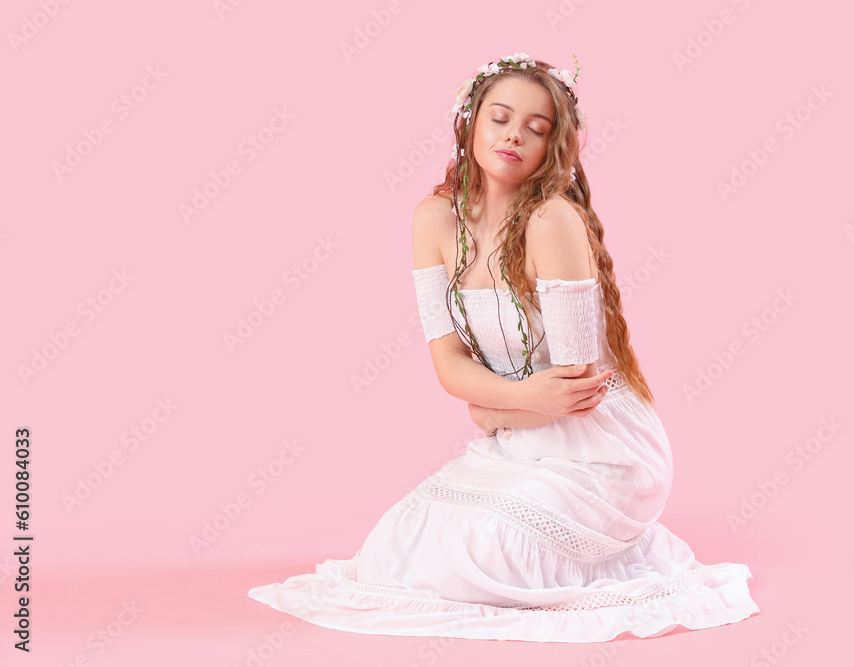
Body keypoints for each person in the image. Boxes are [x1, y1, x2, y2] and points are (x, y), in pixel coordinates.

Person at [247, 52, 760, 643]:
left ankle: (617, 536)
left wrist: (489, 409)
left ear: (552, 148)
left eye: (536, 128)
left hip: (602, 449)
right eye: (501, 117)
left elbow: (574, 386)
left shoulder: (551, 221)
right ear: (469, 122)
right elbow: (447, 363)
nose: (515, 134)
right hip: (520, 441)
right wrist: (505, 408)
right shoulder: (433, 220)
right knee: (394, 547)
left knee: (483, 549)